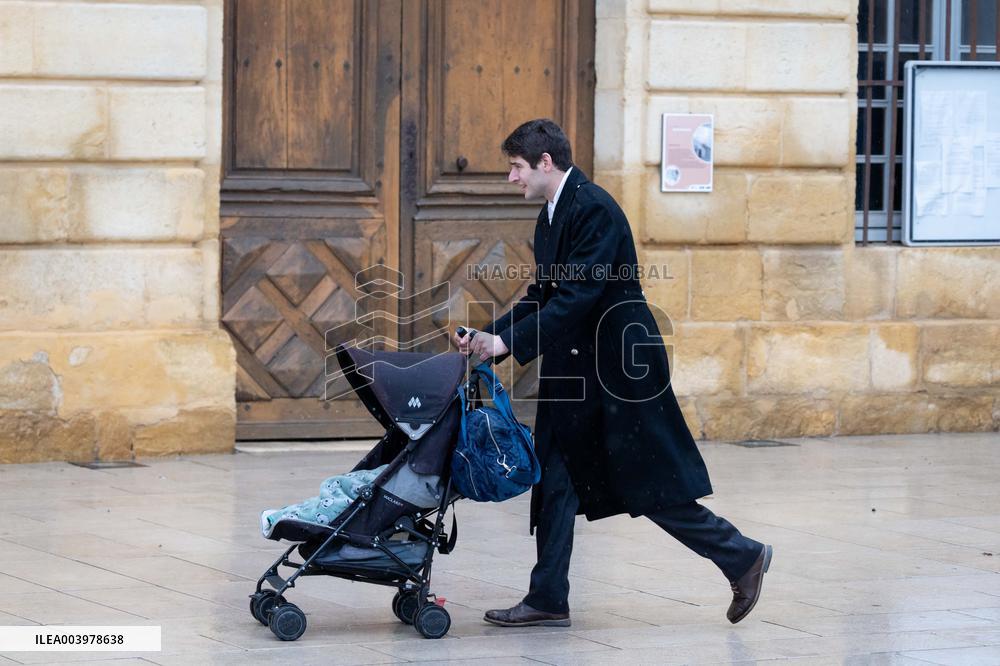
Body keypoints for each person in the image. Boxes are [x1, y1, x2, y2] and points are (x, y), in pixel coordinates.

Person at [452, 118, 771, 628]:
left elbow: (580, 298)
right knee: (555, 476)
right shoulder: (552, 214)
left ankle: (741, 555)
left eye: (516, 168)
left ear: (545, 163)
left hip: (617, 368)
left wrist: (508, 342)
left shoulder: (594, 209)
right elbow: (544, 297)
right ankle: (548, 597)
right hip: (578, 366)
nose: (511, 178)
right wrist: (490, 339)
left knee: (644, 482)